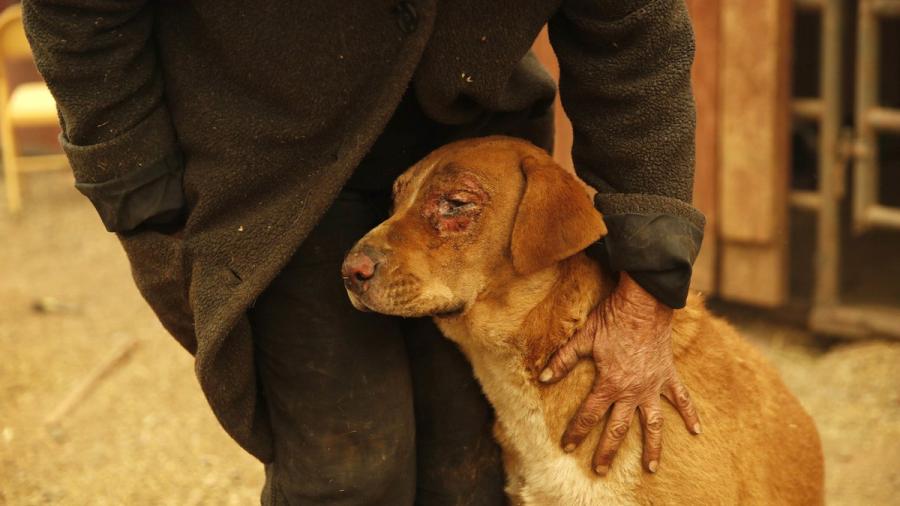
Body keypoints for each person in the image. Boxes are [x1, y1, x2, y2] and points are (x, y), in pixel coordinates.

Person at [23, 0, 704, 503]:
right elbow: (75, 12)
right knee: (348, 472)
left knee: (468, 473)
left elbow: (635, 36)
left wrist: (650, 282)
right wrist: (139, 192)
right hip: (272, 172)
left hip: (471, 143)